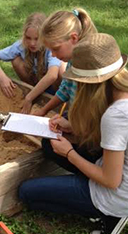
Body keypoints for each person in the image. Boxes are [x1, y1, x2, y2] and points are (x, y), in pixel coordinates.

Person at [19, 33, 128, 234]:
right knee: (49, 144)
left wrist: (69, 153)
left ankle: (110, 216)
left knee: (26, 193)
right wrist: (72, 127)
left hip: (117, 194)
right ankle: (81, 187)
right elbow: (119, 137)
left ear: (90, 83)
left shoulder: (118, 115)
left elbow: (111, 181)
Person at [33, 8, 101, 174]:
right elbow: (64, 90)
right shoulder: (73, 59)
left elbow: (97, 119)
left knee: (49, 144)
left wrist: (75, 129)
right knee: (57, 123)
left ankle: (88, 172)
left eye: (56, 49)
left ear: (73, 38)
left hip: (98, 133)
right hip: (82, 119)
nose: (54, 56)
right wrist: (43, 110)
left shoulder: (90, 69)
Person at [0, 12, 66, 114]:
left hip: (55, 87)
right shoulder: (21, 45)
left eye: (36, 38)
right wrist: (3, 77)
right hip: (36, 83)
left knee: (61, 68)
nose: (32, 43)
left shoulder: (51, 47)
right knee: (16, 60)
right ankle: (32, 91)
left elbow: (52, 75)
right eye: (28, 38)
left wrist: (29, 98)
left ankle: (59, 99)